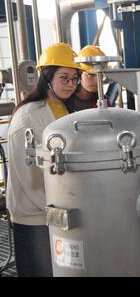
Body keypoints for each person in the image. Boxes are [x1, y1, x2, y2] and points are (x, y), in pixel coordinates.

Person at [6, 43, 81, 277]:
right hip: (35, 218)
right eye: (64, 78)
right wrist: (58, 211)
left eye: (75, 78)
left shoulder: (64, 110)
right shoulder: (26, 118)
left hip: (59, 211)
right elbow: (28, 178)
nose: (71, 84)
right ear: (47, 77)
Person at [66, 45, 110, 112]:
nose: (97, 80)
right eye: (91, 75)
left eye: (100, 75)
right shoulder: (65, 100)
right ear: (79, 73)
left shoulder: (104, 101)